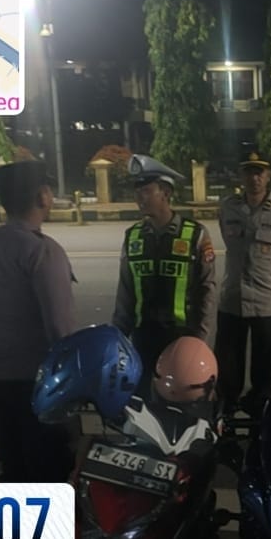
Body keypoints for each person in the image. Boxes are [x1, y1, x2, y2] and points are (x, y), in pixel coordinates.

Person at [0, 161, 79, 486]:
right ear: (42, 196)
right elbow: (60, 331)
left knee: (14, 475)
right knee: (52, 476)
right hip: (39, 385)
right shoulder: (43, 251)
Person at [112, 155, 218, 396]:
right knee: (141, 403)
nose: (140, 198)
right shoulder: (133, 236)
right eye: (137, 191)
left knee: (179, 403)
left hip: (181, 339)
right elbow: (125, 293)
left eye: (146, 191)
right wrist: (118, 338)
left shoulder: (195, 234)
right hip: (142, 339)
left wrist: (199, 341)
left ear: (166, 193)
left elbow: (207, 291)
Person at [216, 150, 271, 414]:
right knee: (228, 362)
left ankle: (260, 408)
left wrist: (268, 270)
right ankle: (227, 408)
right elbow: (228, 240)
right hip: (232, 299)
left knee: (267, 363)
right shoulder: (228, 207)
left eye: (259, 172)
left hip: (267, 301)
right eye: (249, 172)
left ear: (268, 176)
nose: (254, 178)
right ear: (241, 176)